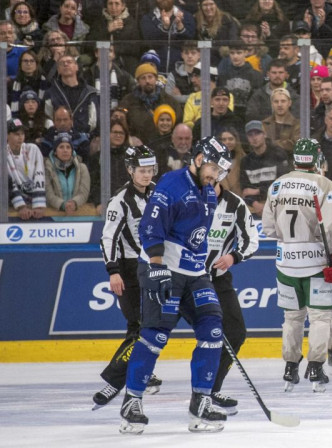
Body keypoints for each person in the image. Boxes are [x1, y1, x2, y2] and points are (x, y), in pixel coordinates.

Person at [119, 136, 233, 434]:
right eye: (213, 168)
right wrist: (155, 267)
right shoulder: (171, 184)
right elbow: (150, 227)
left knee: (213, 330)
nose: (216, 175)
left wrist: (202, 269)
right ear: (197, 159)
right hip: (162, 269)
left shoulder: (209, 193)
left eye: (220, 172)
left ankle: (201, 402)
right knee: (155, 336)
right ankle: (132, 401)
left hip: (194, 274)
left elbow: (197, 238)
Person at [261, 138, 332, 392]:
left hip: (286, 261)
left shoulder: (277, 185)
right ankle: (316, 367)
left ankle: (290, 367)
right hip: (317, 262)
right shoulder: (324, 184)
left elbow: (268, 228)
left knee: (292, 318)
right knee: (320, 317)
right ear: (317, 159)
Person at [93, 146, 161, 410]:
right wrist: (113, 270)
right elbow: (108, 237)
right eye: (141, 171)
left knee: (148, 326)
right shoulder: (120, 200)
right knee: (140, 326)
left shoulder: (159, 194)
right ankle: (114, 379)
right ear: (131, 170)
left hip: (155, 266)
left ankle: (142, 371)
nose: (146, 175)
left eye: (150, 170)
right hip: (130, 270)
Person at [204, 179, 259, 413]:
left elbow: (251, 240)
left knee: (235, 332)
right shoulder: (186, 201)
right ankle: (132, 386)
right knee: (156, 331)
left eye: (213, 176)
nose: (207, 181)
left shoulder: (234, 204)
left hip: (217, 279)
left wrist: (233, 257)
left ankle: (211, 388)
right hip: (183, 278)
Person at [120, 63, 183, 146]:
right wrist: (129, 138)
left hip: (165, 146)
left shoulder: (170, 101)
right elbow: (120, 123)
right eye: (143, 78)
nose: (147, 81)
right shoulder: (128, 101)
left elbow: (178, 123)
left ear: (156, 78)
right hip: (137, 146)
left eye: (150, 77)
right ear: (138, 81)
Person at [240, 120, 290, 215]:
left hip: (278, 204)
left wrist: (257, 191)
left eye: (257, 133)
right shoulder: (245, 162)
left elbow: (283, 185)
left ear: (264, 134)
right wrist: (255, 204)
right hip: (255, 207)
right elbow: (245, 191)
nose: (254, 138)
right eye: (250, 135)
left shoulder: (278, 155)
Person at [43, 55, 99, 135]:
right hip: (58, 139)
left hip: (84, 139)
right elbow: (48, 117)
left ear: (77, 67)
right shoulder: (51, 93)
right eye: (62, 63)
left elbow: (94, 120)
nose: (66, 64)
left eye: (69, 62)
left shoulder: (90, 92)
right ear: (58, 70)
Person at [86, 0, 142, 75]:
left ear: (123, 6)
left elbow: (136, 48)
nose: (113, 7)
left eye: (117, 4)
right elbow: (89, 43)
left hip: (125, 60)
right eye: (110, 4)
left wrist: (115, 50)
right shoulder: (99, 21)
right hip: (101, 56)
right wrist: (107, 30)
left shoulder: (131, 23)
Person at [140, 0, 197, 72]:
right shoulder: (147, 18)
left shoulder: (187, 16)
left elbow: (190, 40)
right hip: (156, 69)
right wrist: (165, 28)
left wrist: (180, 26)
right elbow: (150, 41)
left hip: (180, 69)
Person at [7, 118, 46, 220]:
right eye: (16, 134)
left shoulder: (32, 149)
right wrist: (21, 206)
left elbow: (39, 175)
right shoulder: (3, 154)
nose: (20, 137)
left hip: (34, 200)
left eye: (22, 134)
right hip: (13, 203)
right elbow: (8, 183)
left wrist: (39, 205)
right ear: (7, 135)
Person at [43, 132, 91, 214]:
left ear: (72, 151)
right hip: (54, 214)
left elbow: (84, 192)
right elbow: (48, 194)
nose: (65, 150)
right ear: (55, 151)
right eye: (61, 147)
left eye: (68, 147)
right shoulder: (47, 169)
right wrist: (62, 204)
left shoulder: (82, 168)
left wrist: (74, 203)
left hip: (77, 213)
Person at [195, 0, 239, 66]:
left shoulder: (227, 19)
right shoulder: (196, 19)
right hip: (204, 55)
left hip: (223, 57)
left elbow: (233, 40)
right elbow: (195, 41)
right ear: (201, 7)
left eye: (211, 4)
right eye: (205, 5)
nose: (208, 8)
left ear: (216, 5)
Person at [262, 88, 300, 156]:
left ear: (289, 103)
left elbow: (295, 144)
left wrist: (270, 144)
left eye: (283, 101)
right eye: (276, 101)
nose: (279, 105)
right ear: (272, 104)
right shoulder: (264, 124)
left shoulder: (297, 124)